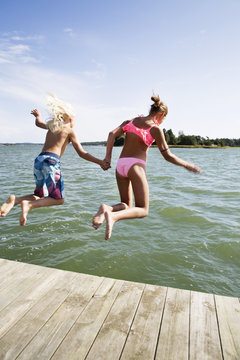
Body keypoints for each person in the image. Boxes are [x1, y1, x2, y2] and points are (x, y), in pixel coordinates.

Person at [92, 94, 201, 240]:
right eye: (164, 119)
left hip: (121, 166)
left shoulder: (131, 121)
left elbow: (111, 134)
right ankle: (113, 217)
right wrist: (187, 165)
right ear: (161, 115)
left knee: (126, 204)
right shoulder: (155, 129)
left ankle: (107, 208)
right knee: (143, 209)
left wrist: (107, 158)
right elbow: (168, 156)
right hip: (135, 167)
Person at [0, 94, 109, 225]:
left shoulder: (53, 126)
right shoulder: (69, 130)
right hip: (51, 162)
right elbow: (82, 153)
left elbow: (38, 124)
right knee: (58, 199)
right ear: (69, 118)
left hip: (39, 160)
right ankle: (28, 205)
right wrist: (100, 162)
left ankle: (15, 200)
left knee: (39, 196)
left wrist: (37, 116)